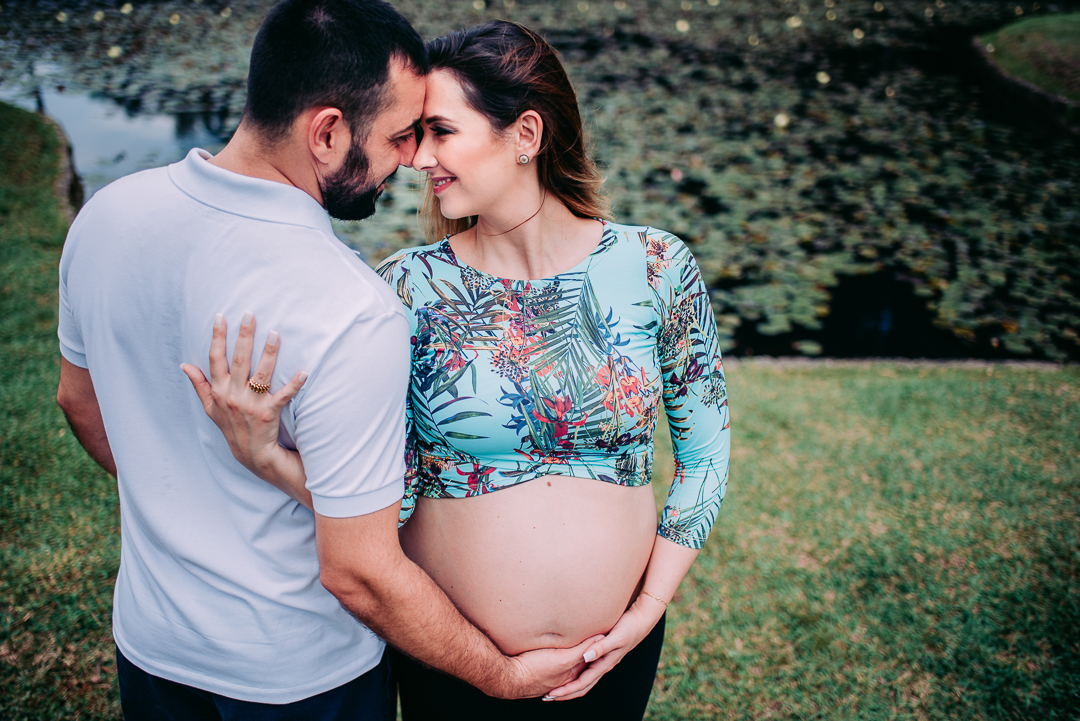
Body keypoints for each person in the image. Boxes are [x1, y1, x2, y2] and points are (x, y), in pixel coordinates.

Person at [55, 3, 597, 719]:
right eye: (400, 135)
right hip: (298, 675)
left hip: (152, 647)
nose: (411, 159)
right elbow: (360, 571)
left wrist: (180, 494)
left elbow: (78, 401)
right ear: (328, 132)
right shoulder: (350, 307)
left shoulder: (107, 217)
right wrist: (500, 677)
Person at [187, 20, 731, 721]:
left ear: (525, 135)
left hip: (614, 657)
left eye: (441, 131)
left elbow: (705, 452)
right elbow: (388, 503)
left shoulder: (657, 267)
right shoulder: (405, 291)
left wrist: (648, 608)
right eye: (414, 134)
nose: (417, 159)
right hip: (458, 667)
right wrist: (269, 460)